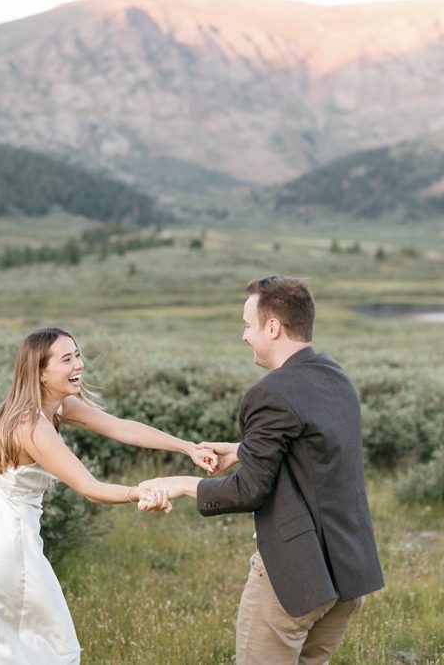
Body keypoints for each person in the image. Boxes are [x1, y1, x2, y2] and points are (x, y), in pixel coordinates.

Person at [139, 276, 384, 664]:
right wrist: (242, 449)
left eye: (247, 325)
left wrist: (180, 484)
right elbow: (318, 450)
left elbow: (247, 491)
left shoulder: (269, 393)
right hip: (347, 574)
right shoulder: (334, 375)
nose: (244, 336)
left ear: (272, 327)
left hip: (294, 579)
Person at [0, 327, 210, 664]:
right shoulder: (31, 425)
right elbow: (90, 488)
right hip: (7, 544)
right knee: (55, 648)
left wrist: (187, 447)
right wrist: (139, 492)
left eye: (77, 355)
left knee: (20, 650)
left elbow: (120, 427)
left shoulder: (44, 405)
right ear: (41, 372)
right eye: (66, 359)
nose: (78, 364)